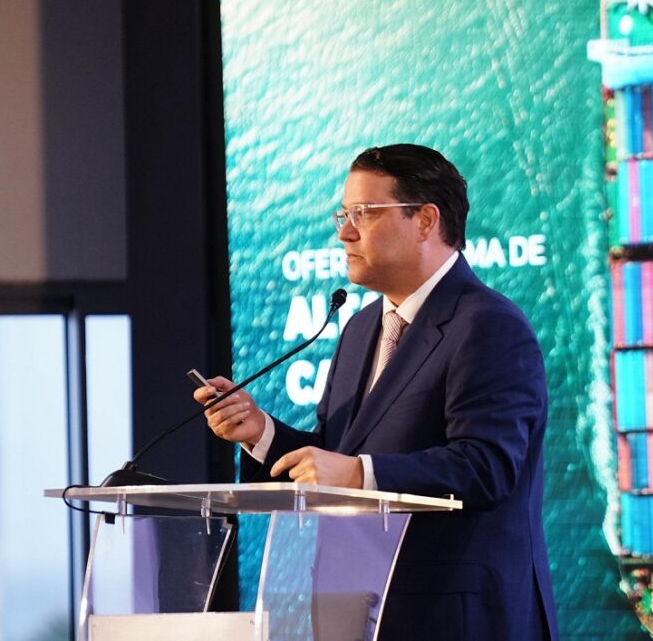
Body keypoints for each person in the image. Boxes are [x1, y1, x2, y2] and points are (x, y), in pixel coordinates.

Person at [195, 144, 558, 640]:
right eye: (343, 214)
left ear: (425, 220)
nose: (344, 232)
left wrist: (359, 474)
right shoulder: (362, 327)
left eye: (363, 213)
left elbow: (486, 466)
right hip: (356, 610)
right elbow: (337, 453)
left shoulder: (489, 324)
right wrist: (260, 433)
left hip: (453, 619)